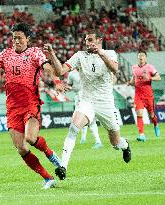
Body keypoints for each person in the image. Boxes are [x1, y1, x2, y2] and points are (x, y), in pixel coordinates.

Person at [0, 23, 64, 189]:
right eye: (14, 37)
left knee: (31, 138)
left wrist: (57, 81)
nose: (16, 40)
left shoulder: (34, 53)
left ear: (27, 39)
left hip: (31, 103)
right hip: (12, 108)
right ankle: (48, 178)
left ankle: (51, 155)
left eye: (20, 38)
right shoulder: (6, 54)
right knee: (21, 148)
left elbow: (48, 68)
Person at [44, 29, 131, 180]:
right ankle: (63, 166)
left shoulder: (109, 53)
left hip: (105, 103)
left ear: (99, 40)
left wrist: (101, 54)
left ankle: (125, 146)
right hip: (87, 101)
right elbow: (60, 71)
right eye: (86, 40)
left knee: (115, 143)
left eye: (90, 39)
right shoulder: (80, 56)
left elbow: (115, 69)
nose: (88, 43)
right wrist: (51, 54)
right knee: (73, 127)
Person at [128, 51, 161, 142]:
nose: (141, 58)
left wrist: (149, 78)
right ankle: (142, 135)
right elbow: (133, 78)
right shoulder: (134, 67)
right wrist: (130, 82)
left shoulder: (150, 67)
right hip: (138, 95)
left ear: (145, 58)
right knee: (139, 114)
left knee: (152, 115)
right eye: (139, 56)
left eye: (142, 56)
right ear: (137, 58)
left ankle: (156, 125)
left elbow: (158, 77)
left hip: (148, 96)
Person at [67, 70, 103, 149]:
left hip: (89, 98)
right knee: (82, 119)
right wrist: (68, 88)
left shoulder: (88, 69)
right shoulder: (72, 74)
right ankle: (83, 138)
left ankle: (98, 141)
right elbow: (69, 85)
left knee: (91, 120)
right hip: (78, 99)